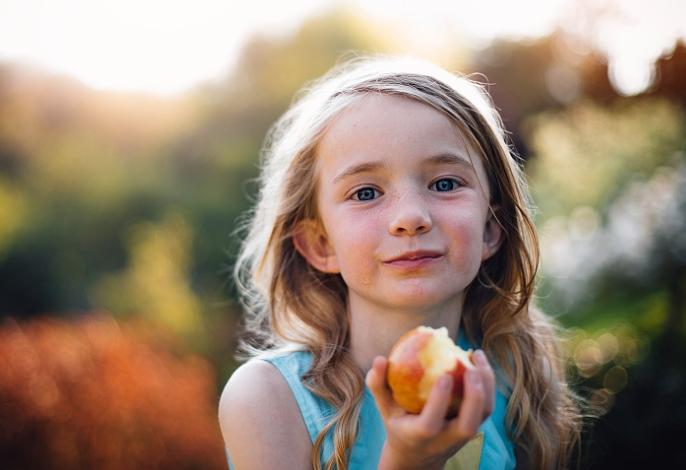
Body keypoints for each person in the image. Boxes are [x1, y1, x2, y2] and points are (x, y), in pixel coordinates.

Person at [218, 55, 582, 470]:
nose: (411, 217)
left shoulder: (517, 377)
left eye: (445, 183)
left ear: (491, 228)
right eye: (366, 193)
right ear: (321, 244)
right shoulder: (268, 398)